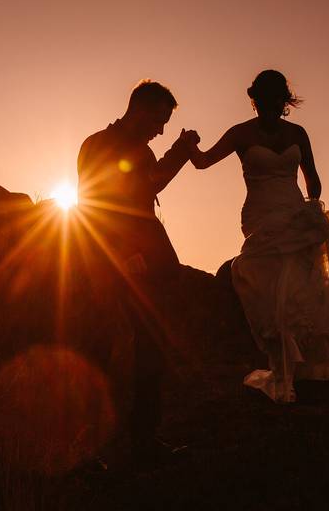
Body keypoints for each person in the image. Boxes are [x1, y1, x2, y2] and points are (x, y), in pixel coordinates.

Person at [188, 69, 329, 403]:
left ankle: (293, 371)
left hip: (293, 211)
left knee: (296, 287)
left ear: (282, 101)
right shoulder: (240, 134)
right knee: (270, 287)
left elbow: (312, 178)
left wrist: (312, 205)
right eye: (263, 102)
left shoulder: (298, 133)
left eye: (275, 102)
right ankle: (284, 373)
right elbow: (202, 163)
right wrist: (187, 146)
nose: (270, 109)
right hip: (260, 215)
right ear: (255, 101)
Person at [76, 79, 198, 455]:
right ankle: (89, 449)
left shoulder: (139, 151)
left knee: (150, 351)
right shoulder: (99, 145)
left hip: (147, 266)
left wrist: (179, 151)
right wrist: (123, 254)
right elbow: (97, 204)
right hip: (115, 264)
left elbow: (148, 187)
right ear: (141, 110)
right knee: (98, 353)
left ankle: (143, 442)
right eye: (160, 119)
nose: (161, 129)